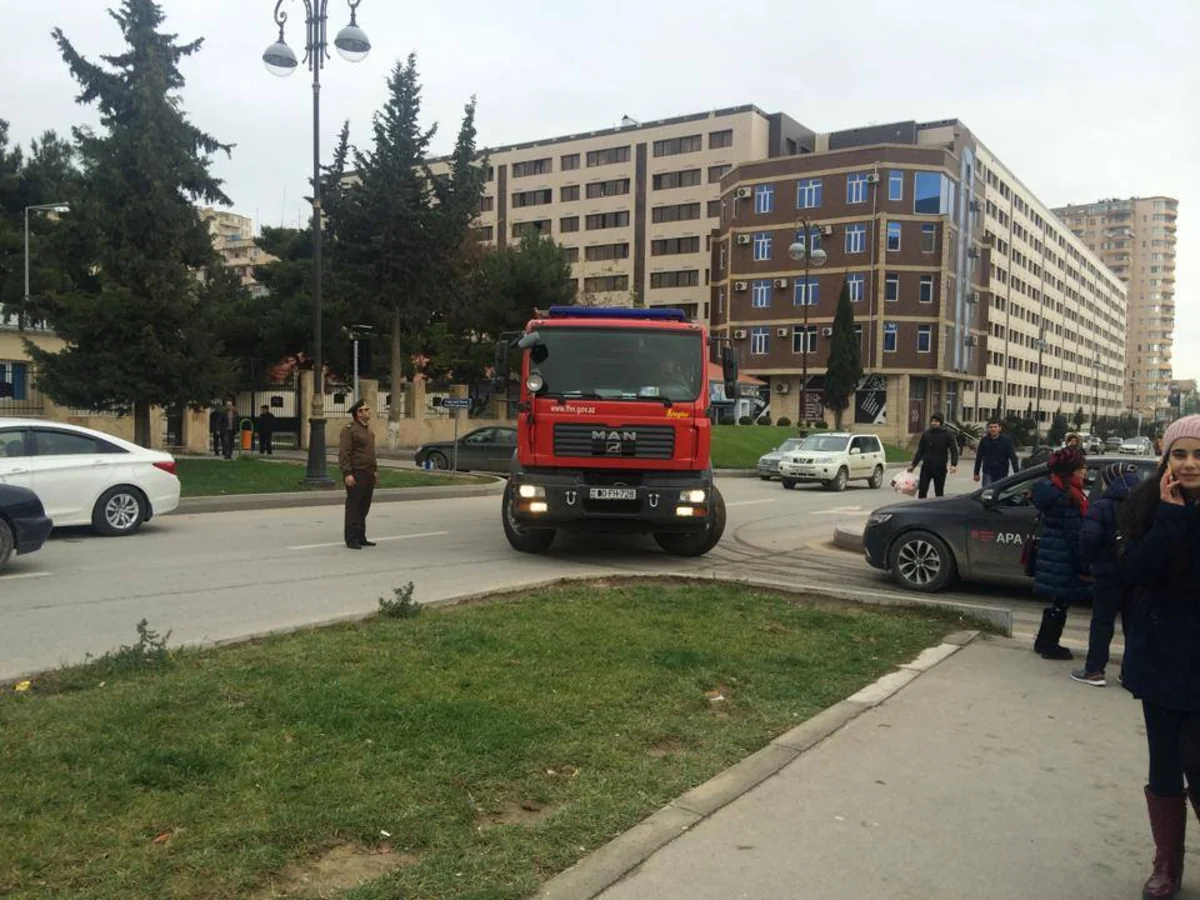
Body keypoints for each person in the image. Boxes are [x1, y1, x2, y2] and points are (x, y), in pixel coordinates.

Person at [1119, 415, 1200, 898]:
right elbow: (1135, 571)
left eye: (1199, 454)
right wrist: (1171, 518)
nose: (1189, 463)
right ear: (1166, 459)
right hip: (1161, 658)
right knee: (1164, 764)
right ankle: (1167, 863)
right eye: (1180, 454)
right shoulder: (1146, 506)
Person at [1072, 462, 1142, 686]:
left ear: (1110, 480)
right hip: (1136, 573)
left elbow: (1089, 537)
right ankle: (1130, 673)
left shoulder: (1102, 506)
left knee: (1102, 621)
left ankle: (1094, 670)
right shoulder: (1146, 504)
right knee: (1133, 624)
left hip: (1107, 572)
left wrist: (1090, 562)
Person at [1030, 447, 1092, 661]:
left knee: (1058, 600)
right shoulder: (1069, 497)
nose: (1085, 471)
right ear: (1071, 471)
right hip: (1063, 555)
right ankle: (1050, 645)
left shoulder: (1052, 488)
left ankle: (1043, 641)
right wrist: (1084, 565)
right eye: (1082, 468)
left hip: (1053, 551)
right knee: (1061, 602)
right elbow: (1075, 535)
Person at [338, 399, 378, 550]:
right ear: (359, 413)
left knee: (364, 506)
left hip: (368, 473)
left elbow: (370, 453)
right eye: (366, 410)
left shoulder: (367, 429)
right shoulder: (350, 430)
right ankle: (351, 538)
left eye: (368, 409)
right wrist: (347, 473)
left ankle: (361, 536)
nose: (369, 412)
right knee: (354, 506)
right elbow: (344, 453)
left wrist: (375, 470)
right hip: (357, 473)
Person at [908, 414, 958, 499]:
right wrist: (913, 465)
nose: (934, 423)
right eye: (932, 421)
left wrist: (953, 464)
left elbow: (954, 450)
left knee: (939, 491)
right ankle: (922, 506)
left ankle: (938, 507)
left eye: (936, 421)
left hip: (940, 467)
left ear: (941, 423)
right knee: (922, 490)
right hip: (927, 467)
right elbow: (920, 451)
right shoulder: (926, 434)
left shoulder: (947, 434)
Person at [973, 419, 1020, 487]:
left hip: (1002, 472)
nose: (993, 429)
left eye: (995, 427)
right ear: (988, 429)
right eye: (991, 427)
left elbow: (1013, 458)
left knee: (1000, 491)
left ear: (999, 428)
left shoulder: (1007, 441)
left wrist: (1017, 473)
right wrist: (976, 473)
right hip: (988, 472)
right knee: (987, 491)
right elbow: (979, 457)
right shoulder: (984, 441)